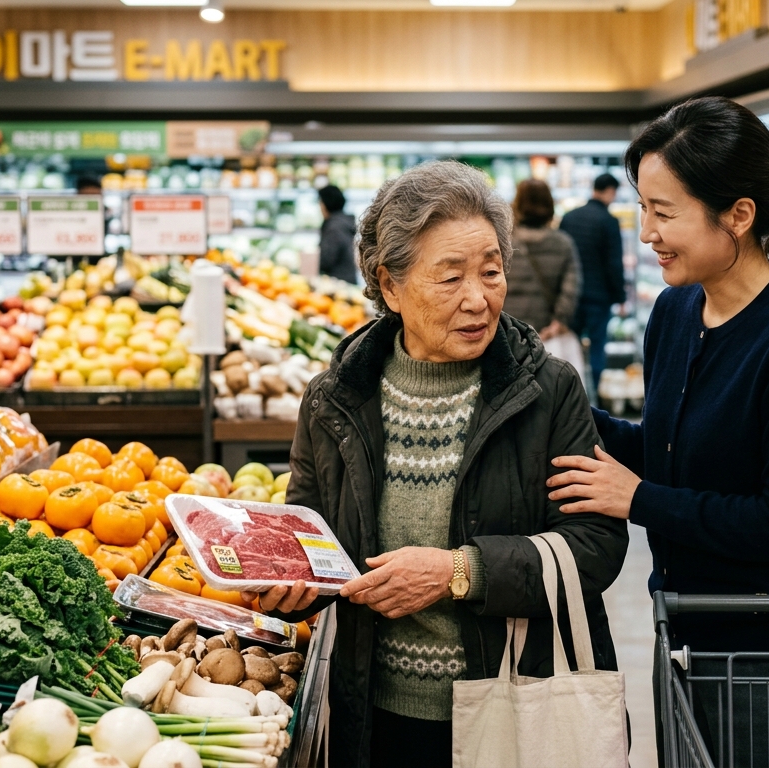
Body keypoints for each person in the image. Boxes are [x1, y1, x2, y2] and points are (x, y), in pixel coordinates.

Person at [252, 160, 628, 768]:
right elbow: (312, 532)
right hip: (375, 716)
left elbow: (595, 546)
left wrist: (461, 572)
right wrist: (292, 584)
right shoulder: (334, 400)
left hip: (514, 708)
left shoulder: (549, 390)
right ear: (390, 286)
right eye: (450, 278)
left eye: (491, 272)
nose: (478, 299)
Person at [545, 96, 769, 767]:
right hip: (683, 635)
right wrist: (548, 399)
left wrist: (640, 499)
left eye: (665, 212)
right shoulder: (677, 310)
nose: (647, 231)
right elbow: (666, 450)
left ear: (738, 214)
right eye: (644, 208)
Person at [559, 173, 626, 388]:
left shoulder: (569, 218)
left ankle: (572, 397)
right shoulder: (609, 221)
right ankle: (595, 401)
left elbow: (562, 259)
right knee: (597, 347)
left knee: (570, 349)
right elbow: (614, 264)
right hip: (600, 297)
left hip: (572, 296)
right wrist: (620, 296)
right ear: (610, 192)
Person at [504, 179, 581, 345]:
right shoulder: (563, 244)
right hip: (545, 332)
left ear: (517, 204)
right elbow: (570, 289)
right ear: (549, 205)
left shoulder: (502, 242)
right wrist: (558, 322)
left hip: (506, 328)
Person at [317, 184, 359, 284]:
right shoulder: (344, 222)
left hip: (338, 283)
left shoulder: (334, 227)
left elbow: (326, 261)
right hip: (348, 279)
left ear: (325, 204)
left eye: (320, 202)